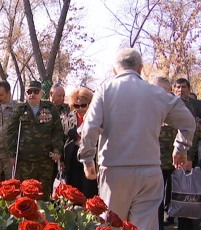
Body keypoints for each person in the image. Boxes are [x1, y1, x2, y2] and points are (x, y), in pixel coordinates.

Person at [78, 48, 195, 229]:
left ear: (114, 70)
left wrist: (87, 160)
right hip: (150, 169)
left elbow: (90, 127)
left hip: (115, 170)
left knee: (111, 224)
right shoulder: (157, 93)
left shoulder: (105, 91)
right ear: (140, 68)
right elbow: (188, 121)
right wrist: (180, 148)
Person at [7, 81, 63, 199]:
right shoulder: (20, 109)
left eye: (36, 92)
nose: (32, 94)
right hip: (26, 159)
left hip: (46, 158)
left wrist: (57, 150)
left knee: (44, 192)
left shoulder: (50, 108)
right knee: (27, 192)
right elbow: (12, 132)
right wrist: (12, 154)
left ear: (41, 93)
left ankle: (45, 216)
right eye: (29, 92)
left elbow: (57, 130)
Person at [173, 78, 201, 230]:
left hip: (184, 156)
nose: (180, 90)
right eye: (177, 87)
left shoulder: (194, 106)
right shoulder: (168, 104)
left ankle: (187, 225)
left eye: (184, 87)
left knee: (186, 192)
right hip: (165, 157)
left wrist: (188, 156)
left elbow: (193, 133)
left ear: (189, 89)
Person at [62, 88, 97, 198]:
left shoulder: (96, 118)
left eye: (83, 105)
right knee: (73, 191)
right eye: (77, 106)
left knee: (89, 190)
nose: (80, 109)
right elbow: (63, 137)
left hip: (91, 158)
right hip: (72, 159)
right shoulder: (68, 117)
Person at [152, 77, 177, 229]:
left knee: (175, 193)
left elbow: (189, 129)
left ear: (168, 91)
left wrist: (186, 153)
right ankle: (158, 225)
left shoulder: (176, 107)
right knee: (156, 197)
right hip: (155, 161)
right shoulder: (147, 107)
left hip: (175, 161)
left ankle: (174, 218)